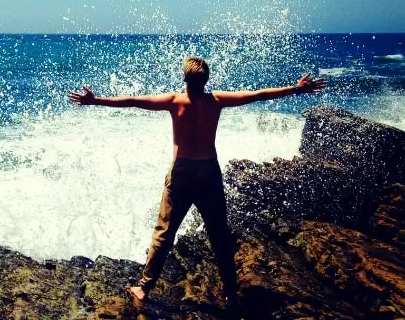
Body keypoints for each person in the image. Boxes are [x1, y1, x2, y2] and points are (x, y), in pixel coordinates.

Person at [67, 57, 327, 306]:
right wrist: (296, 89)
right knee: (219, 235)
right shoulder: (216, 101)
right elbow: (258, 94)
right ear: (206, 80)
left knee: (165, 232)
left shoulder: (174, 101)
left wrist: (95, 100)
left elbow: (134, 101)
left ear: (185, 79)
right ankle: (232, 295)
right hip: (208, 171)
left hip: (182, 171)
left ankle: (144, 288)